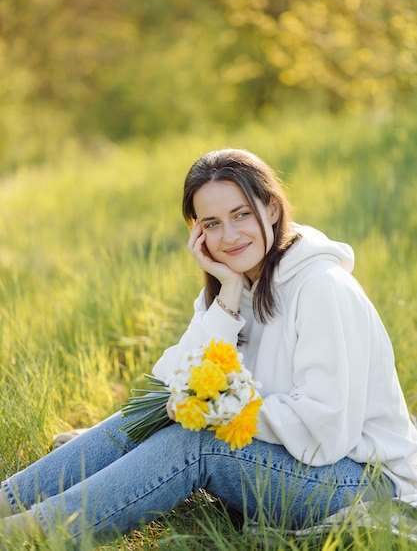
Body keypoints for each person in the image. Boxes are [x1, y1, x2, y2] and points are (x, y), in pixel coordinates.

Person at [1, 147, 417, 547]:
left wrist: (216, 407)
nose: (230, 235)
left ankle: (32, 534)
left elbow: (325, 430)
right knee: (155, 415)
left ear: (271, 208)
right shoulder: (235, 283)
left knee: (197, 438)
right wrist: (227, 297)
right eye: (212, 223)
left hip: (363, 480)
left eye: (241, 214)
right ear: (197, 231)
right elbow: (174, 382)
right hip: (299, 460)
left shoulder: (322, 287)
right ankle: (8, 501)